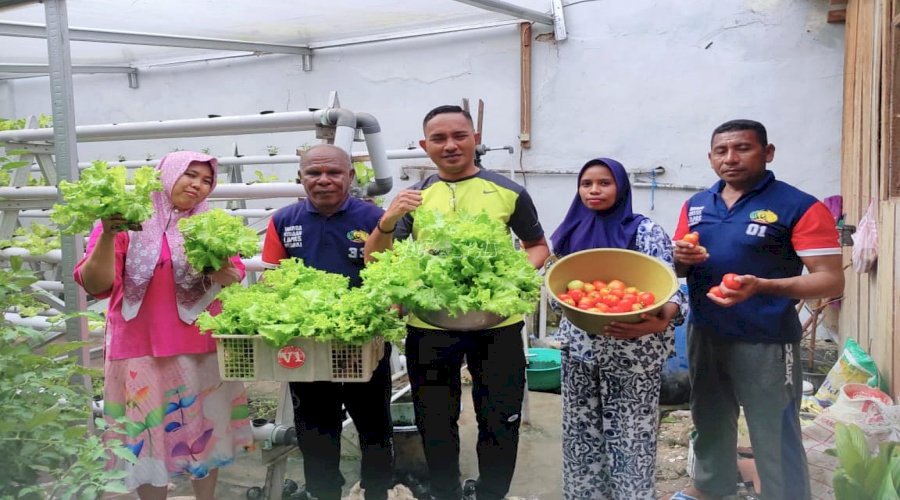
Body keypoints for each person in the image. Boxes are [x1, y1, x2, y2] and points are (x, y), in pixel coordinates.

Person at [364, 105, 550, 500]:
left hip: (496, 325)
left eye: (459, 136)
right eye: (439, 138)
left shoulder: (509, 192)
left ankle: (492, 494)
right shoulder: (415, 199)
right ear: (424, 145)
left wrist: (511, 278)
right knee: (435, 421)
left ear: (475, 138)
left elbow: (537, 247)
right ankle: (445, 492)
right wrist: (387, 218)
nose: (450, 146)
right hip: (430, 328)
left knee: (500, 420)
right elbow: (376, 257)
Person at [670, 120, 844, 500]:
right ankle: (710, 488)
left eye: (742, 148)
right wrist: (680, 257)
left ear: (768, 153)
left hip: (766, 338)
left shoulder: (799, 206)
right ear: (711, 157)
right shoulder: (697, 205)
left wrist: (763, 286)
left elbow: (831, 280)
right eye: (721, 151)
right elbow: (681, 268)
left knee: (773, 428)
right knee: (710, 418)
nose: (730, 158)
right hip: (706, 332)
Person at [74, 151, 253, 499]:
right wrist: (110, 234)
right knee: (147, 440)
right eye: (190, 175)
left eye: (206, 180)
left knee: (206, 433)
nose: (198, 185)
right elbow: (96, 284)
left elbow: (234, 275)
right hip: (140, 348)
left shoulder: (210, 222)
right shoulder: (127, 220)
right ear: (167, 174)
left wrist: (223, 273)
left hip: (201, 347)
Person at [261, 144, 394, 500]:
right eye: (313, 173)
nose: (324, 180)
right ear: (300, 178)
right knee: (315, 431)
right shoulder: (283, 221)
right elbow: (272, 280)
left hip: (362, 346)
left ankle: (377, 491)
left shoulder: (374, 219)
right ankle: (324, 493)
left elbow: (393, 276)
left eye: (334, 173)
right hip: (307, 349)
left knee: (374, 425)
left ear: (350, 177)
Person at [548, 157, 686, 499]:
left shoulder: (645, 230)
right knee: (581, 432)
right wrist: (567, 301)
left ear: (621, 187)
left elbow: (669, 289)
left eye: (604, 183)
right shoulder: (569, 231)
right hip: (581, 350)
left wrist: (663, 317)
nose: (594, 190)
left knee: (631, 433)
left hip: (633, 352)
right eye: (586, 183)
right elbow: (556, 294)